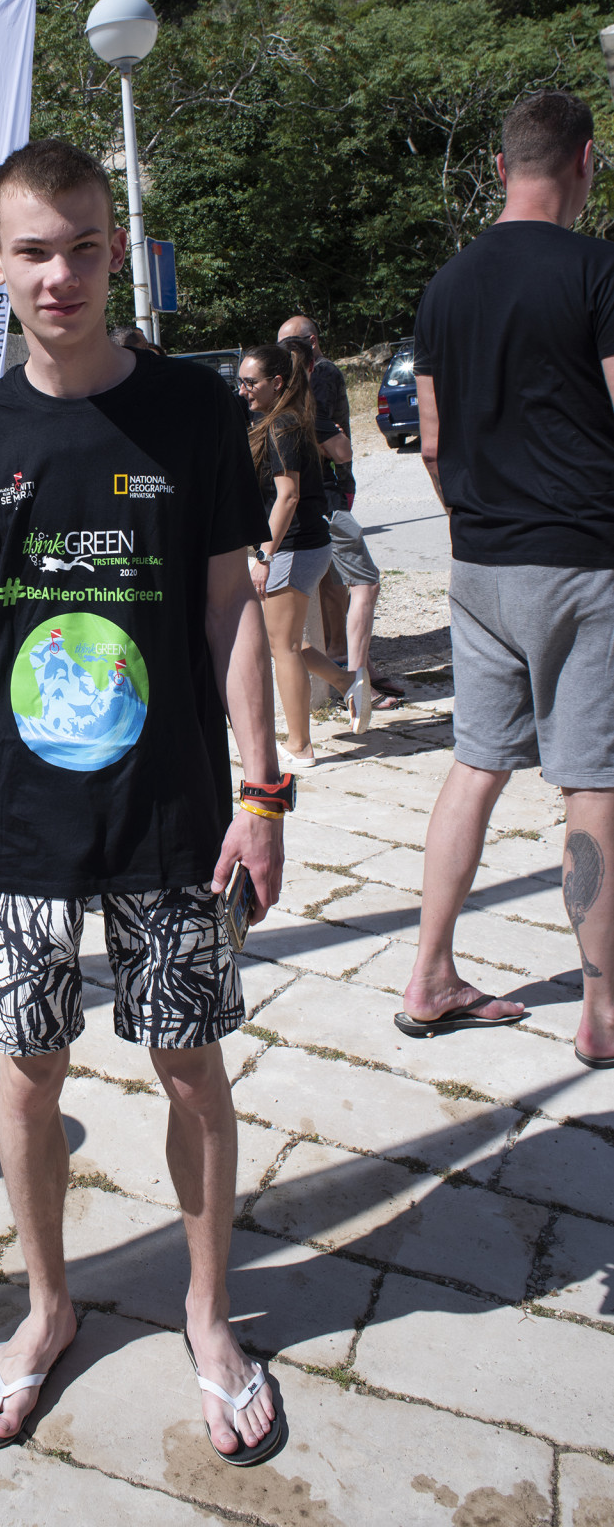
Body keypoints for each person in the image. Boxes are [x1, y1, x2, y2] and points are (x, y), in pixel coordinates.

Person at [0, 137, 295, 1467]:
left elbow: (233, 608)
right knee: (28, 1075)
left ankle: (208, 1316)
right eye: (32, 251)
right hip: (20, 826)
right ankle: (48, 1308)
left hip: (175, 816)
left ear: (113, 250)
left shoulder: (192, 411)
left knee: (191, 1068)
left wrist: (263, 792)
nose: (59, 274)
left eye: (82, 246)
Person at [399, 89, 614, 1064]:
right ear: (586, 162)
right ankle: (601, 1013)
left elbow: (430, 440)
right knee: (592, 783)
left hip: (480, 562)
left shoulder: (444, 287)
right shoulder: (597, 268)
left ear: (498, 169)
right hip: (582, 562)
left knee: (476, 765)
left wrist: (475, 525)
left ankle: (428, 975)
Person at [239, 344, 369, 767]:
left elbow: (288, 496)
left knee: (285, 647)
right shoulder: (283, 419)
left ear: (276, 383)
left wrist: (264, 556)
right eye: (240, 381)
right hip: (298, 545)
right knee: (282, 639)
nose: (243, 390)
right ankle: (346, 681)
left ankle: (300, 745)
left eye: (250, 382)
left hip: (293, 547)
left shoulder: (284, 425)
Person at [277, 314, 402, 709]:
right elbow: (340, 449)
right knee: (361, 584)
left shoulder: (273, 407)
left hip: (314, 505)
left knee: (315, 603)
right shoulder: (304, 405)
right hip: (325, 501)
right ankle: (357, 680)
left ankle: (352, 669)